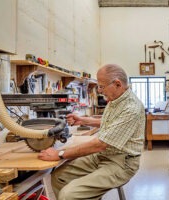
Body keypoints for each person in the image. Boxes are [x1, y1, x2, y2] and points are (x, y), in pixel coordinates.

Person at [38, 64, 146, 200]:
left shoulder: (131, 108)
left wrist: (59, 154)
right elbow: (111, 123)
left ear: (117, 84)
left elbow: (100, 144)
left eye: (102, 86)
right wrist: (84, 120)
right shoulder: (116, 100)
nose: (100, 91)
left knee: (69, 194)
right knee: (59, 177)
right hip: (103, 155)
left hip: (121, 162)